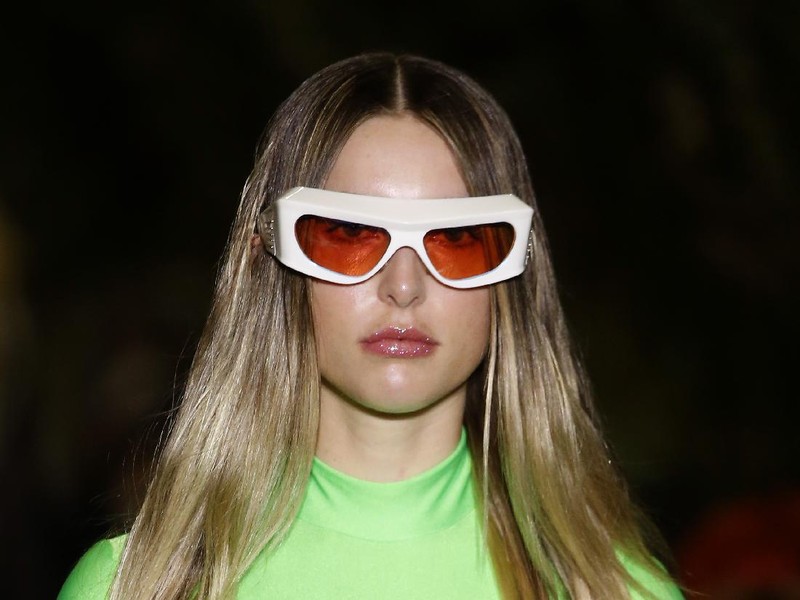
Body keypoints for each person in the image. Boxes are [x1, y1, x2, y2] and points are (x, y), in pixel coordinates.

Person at [59, 53, 684, 599]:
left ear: (514, 272)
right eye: (347, 235)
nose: (404, 286)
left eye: (458, 239)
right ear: (267, 259)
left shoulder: (615, 589)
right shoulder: (138, 585)